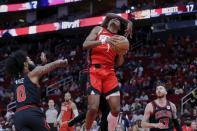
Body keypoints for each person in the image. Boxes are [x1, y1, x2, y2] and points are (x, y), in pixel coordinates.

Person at [83, 13, 132, 131]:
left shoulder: (120, 40)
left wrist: (121, 55)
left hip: (109, 72)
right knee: (93, 108)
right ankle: (87, 129)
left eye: (118, 21)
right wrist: (128, 21)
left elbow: (119, 63)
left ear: (119, 28)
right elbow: (85, 45)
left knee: (116, 110)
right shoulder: (99, 29)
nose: (115, 19)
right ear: (108, 22)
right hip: (94, 70)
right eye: (113, 19)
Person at [5, 50, 68, 131]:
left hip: (19, 116)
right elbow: (42, 69)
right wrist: (60, 62)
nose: (32, 61)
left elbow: (32, 76)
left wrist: (43, 63)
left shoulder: (15, 80)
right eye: (29, 60)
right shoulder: (31, 74)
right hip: (32, 113)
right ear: (25, 64)